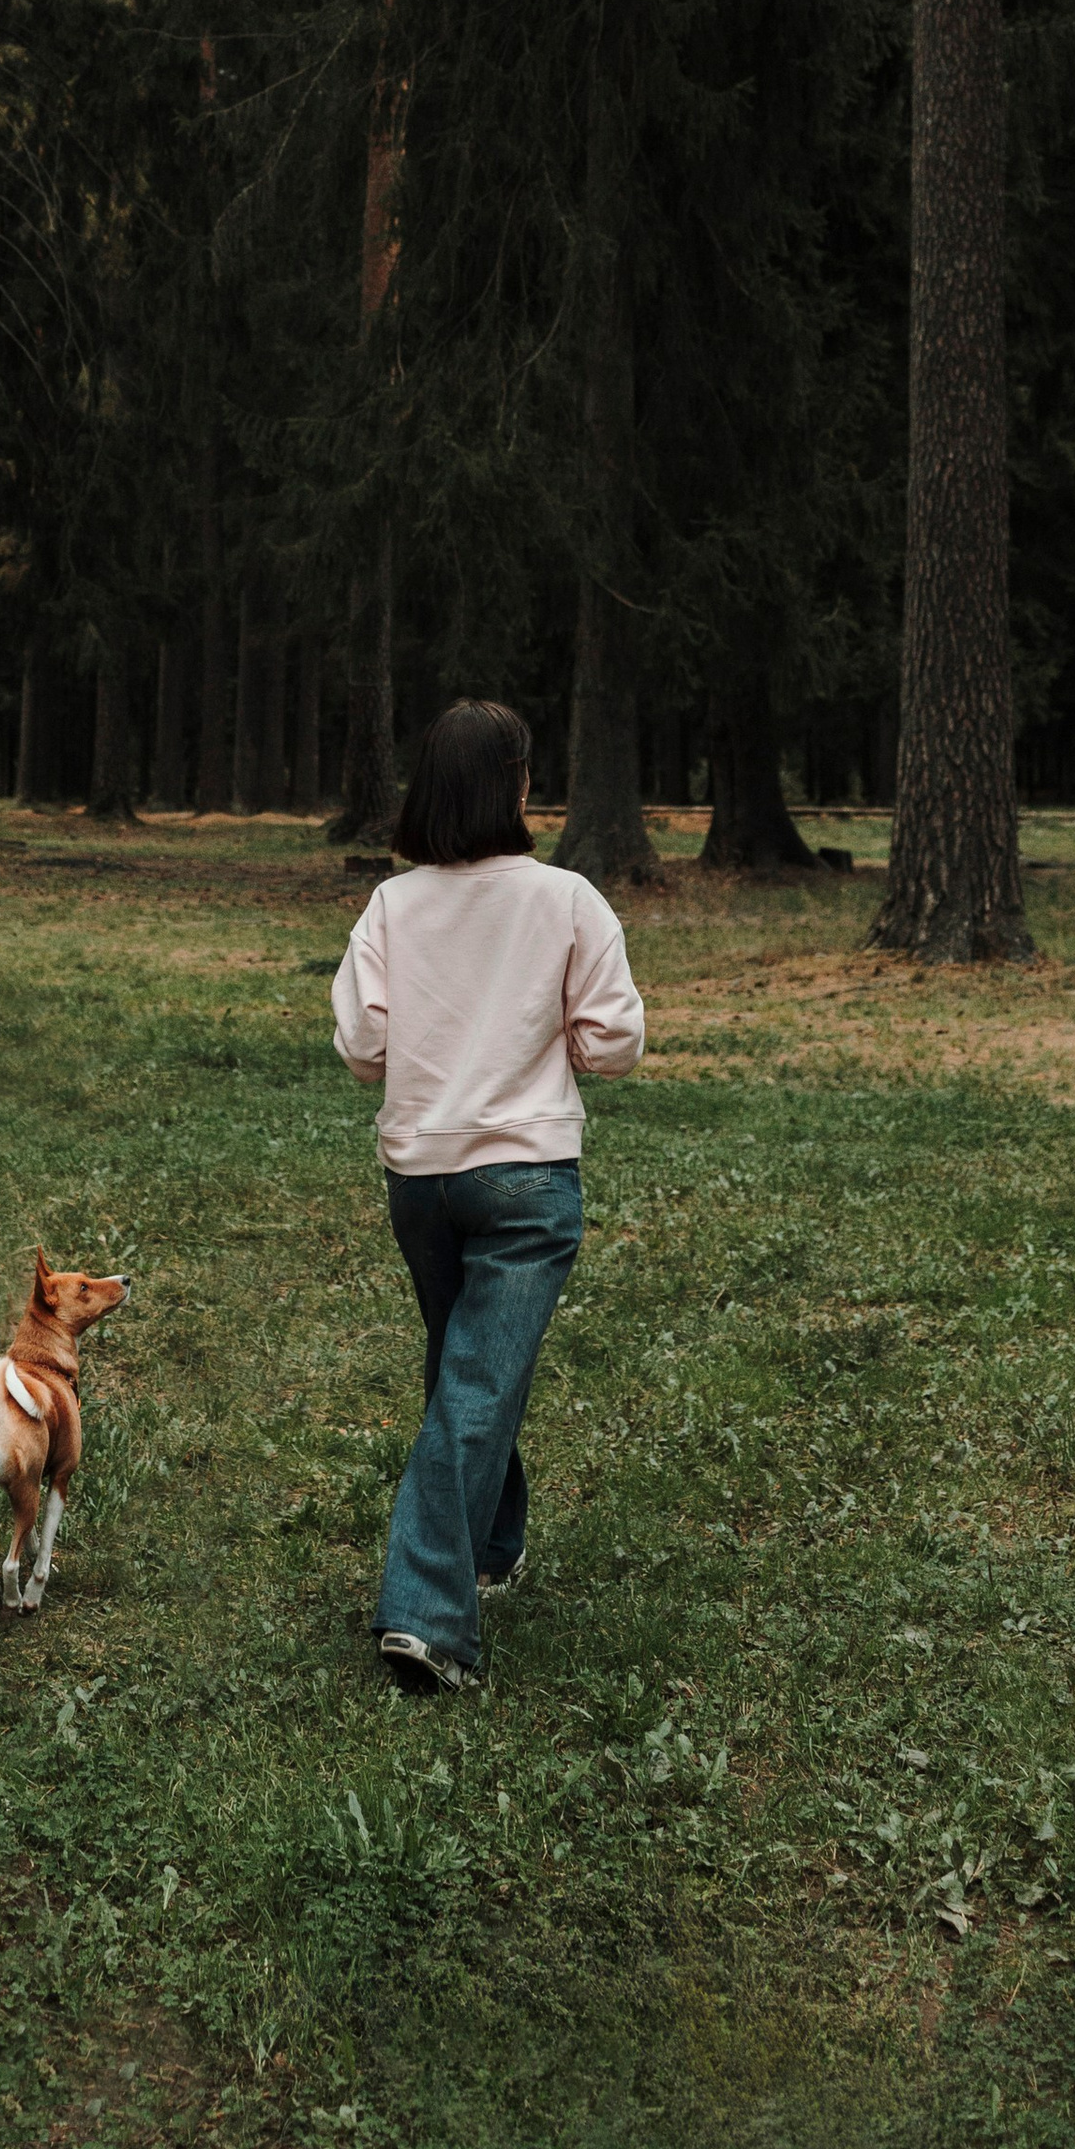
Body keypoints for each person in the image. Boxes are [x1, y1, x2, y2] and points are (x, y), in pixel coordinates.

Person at [329, 697, 645, 1693]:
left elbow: (362, 1046)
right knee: (476, 1379)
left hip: (421, 1180)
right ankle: (424, 1617)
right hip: (525, 1180)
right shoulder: (568, 900)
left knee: (466, 1364)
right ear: (517, 787)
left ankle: (493, 1547)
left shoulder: (392, 905)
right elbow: (613, 1041)